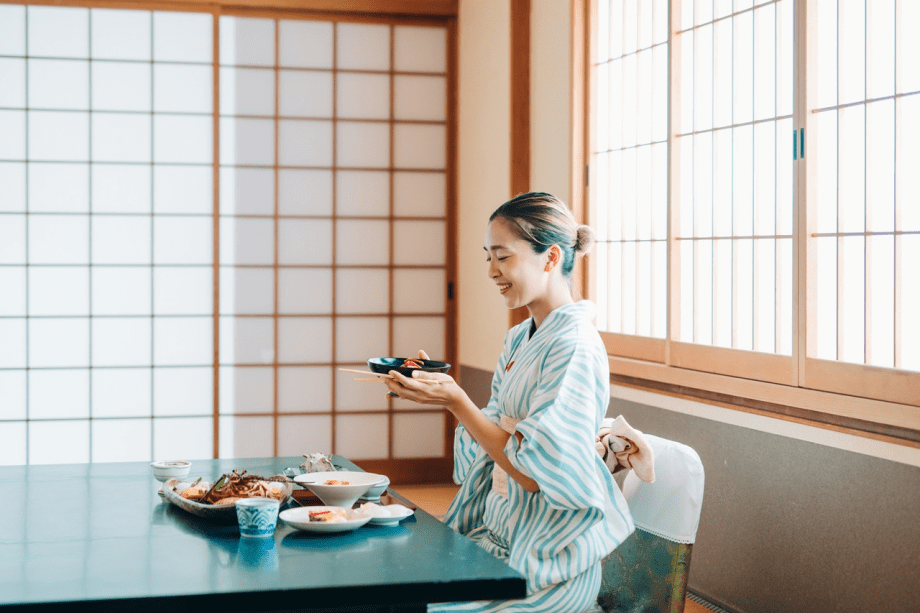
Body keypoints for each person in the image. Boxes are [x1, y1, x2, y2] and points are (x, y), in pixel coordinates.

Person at [385, 192, 635, 613]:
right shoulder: (520, 337)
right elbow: (493, 435)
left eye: (503, 257)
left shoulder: (574, 345)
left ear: (551, 257)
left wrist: (456, 400)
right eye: (488, 257)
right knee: (391, 592)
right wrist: (446, 395)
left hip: (546, 561)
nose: (491, 271)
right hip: (498, 536)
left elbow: (537, 475)